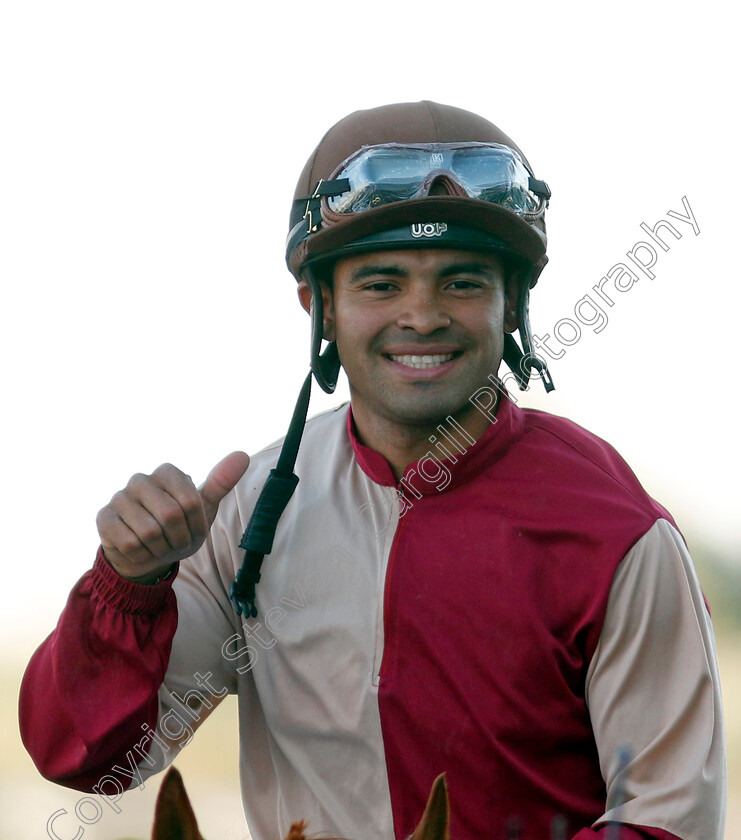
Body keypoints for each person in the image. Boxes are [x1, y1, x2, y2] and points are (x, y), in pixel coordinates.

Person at [20, 101, 725, 840]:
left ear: (512, 303)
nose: (420, 316)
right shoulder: (251, 513)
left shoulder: (618, 534)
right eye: (381, 284)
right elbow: (89, 761)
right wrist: (126, 585)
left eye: (460, 282)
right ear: (318, 306)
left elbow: (666, 821)